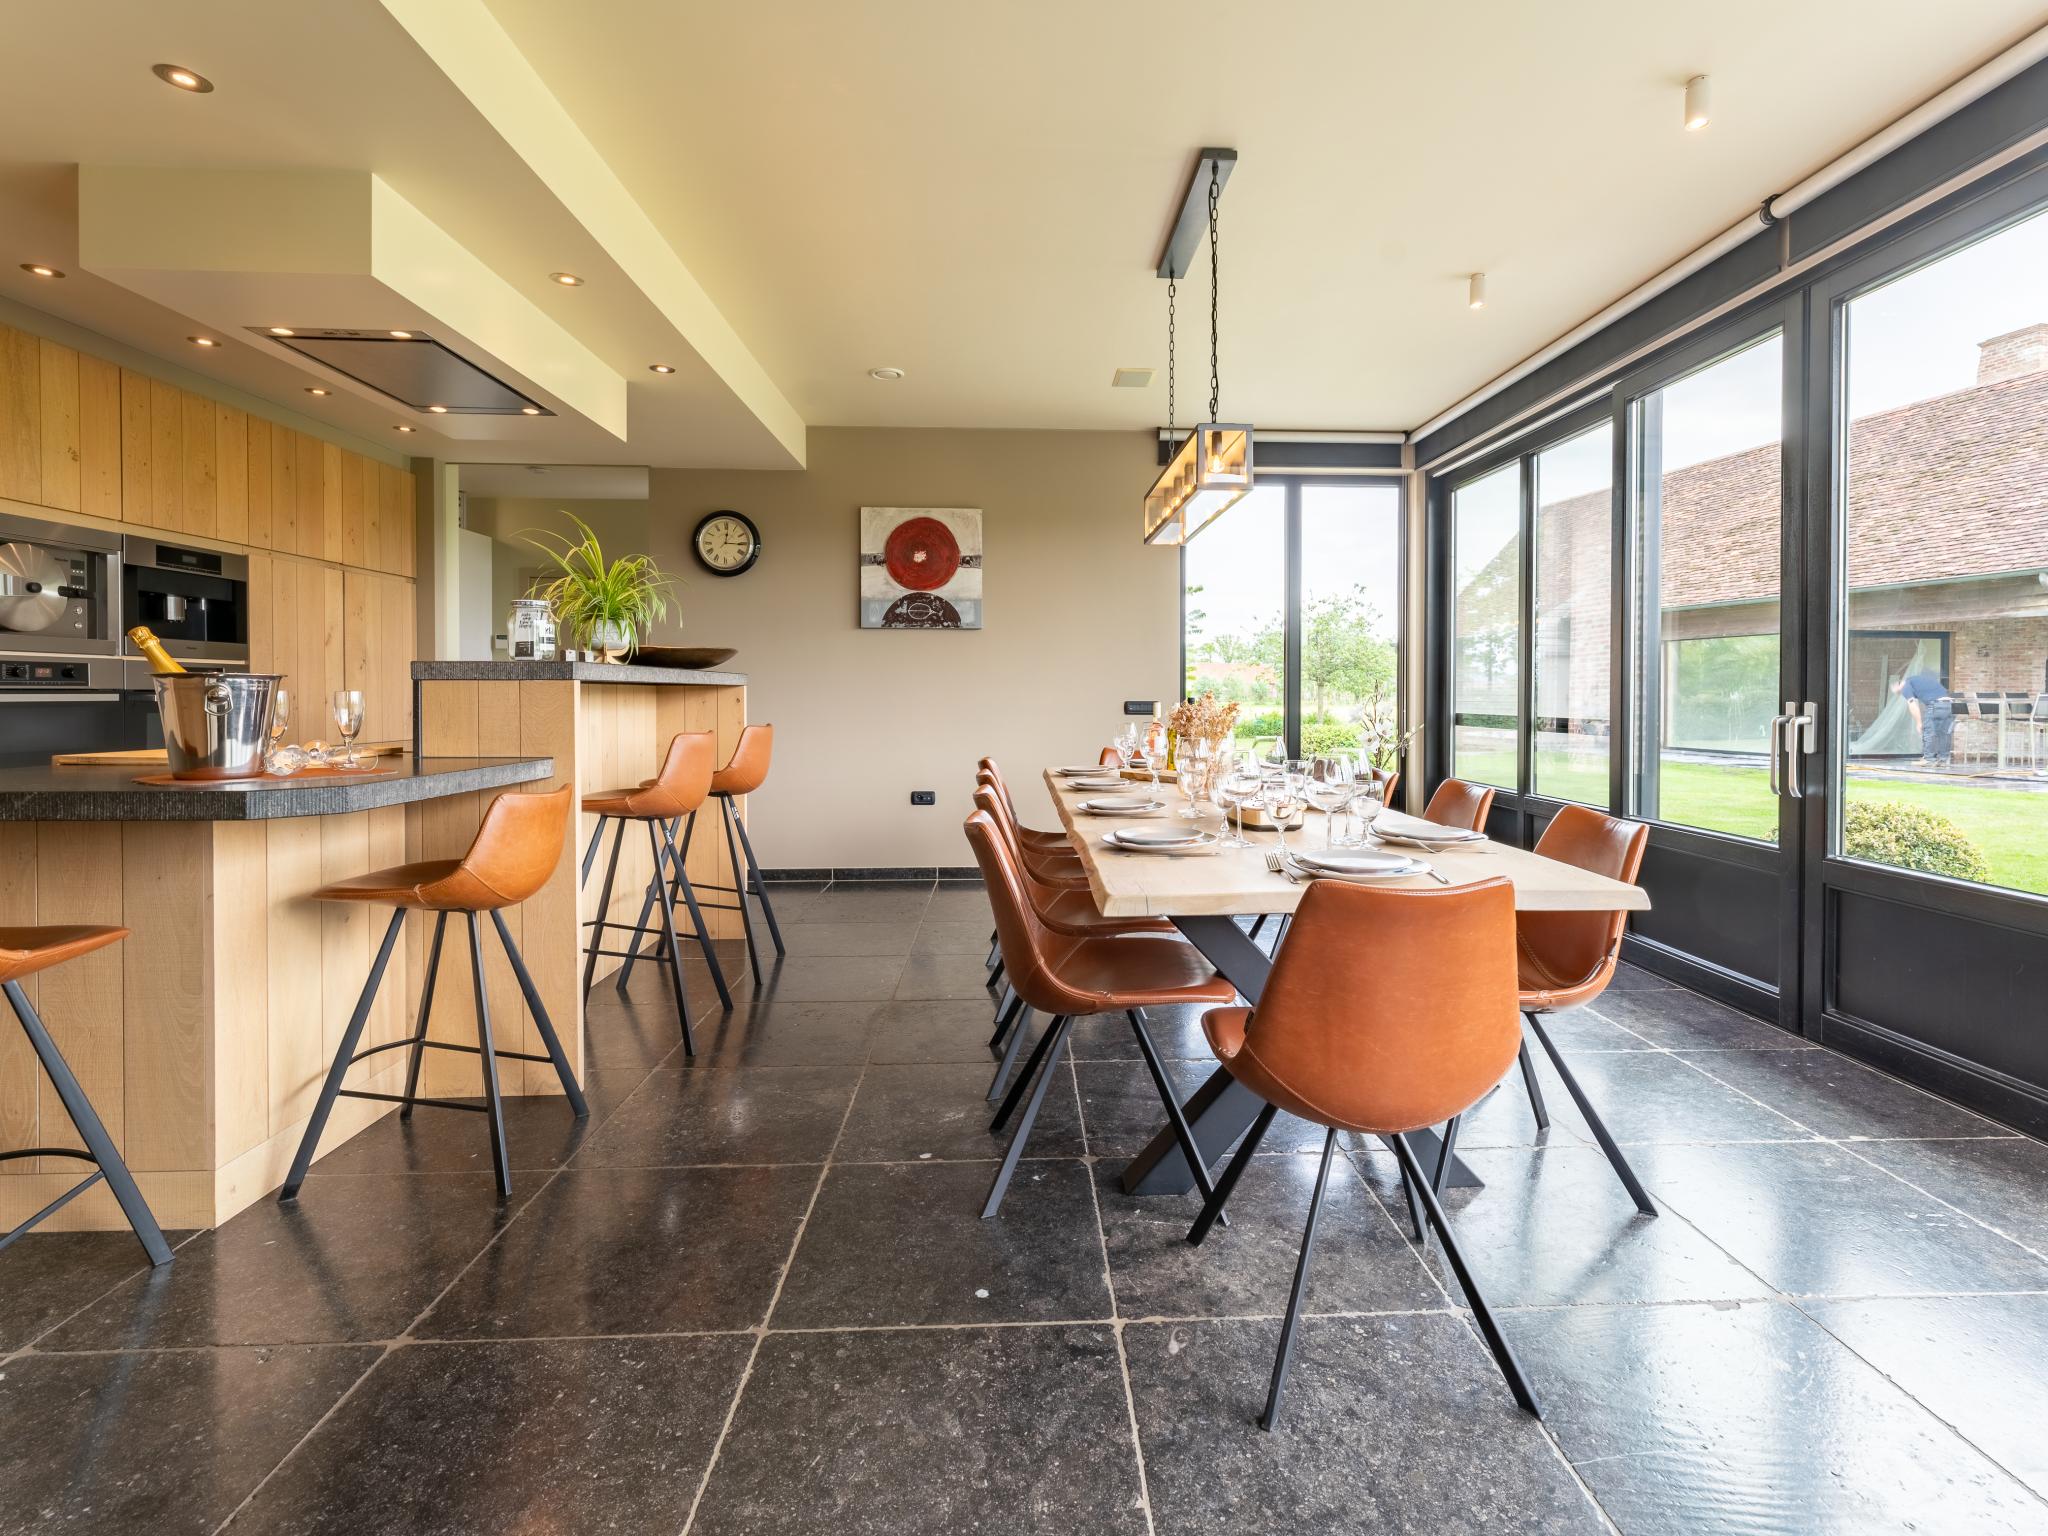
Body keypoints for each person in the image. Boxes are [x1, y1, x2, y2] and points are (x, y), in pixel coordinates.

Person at [1894, 667, 1953, 768]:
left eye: (1899, 692)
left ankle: (1929, 759)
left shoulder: (1906, 684)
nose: (1901, 694)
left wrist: (1918, 723)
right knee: (1944, 734)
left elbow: (1912, 705)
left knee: (1929, 732)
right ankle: (1943, 760)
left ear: (1899, 685)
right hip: (1950, 704)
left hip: (1935, 704)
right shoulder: (1918, 680)